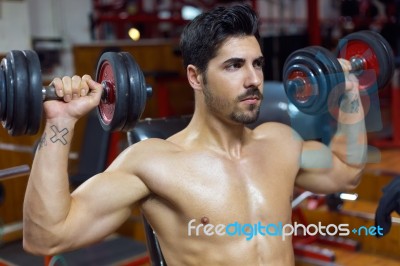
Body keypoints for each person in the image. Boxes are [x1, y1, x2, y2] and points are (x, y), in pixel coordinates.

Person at [23, 4, 367, 266]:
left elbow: (346, 172)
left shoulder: (280, 142)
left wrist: (349, 90)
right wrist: (60, 122)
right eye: (234, 65)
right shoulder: (154, 163)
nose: (253, 80)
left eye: (257, 64)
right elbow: (47, 237)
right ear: (195, 77)